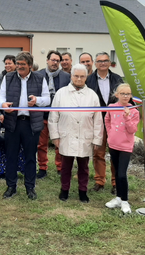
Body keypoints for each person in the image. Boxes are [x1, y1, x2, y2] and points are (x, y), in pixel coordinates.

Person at [0, 51, 50, 200]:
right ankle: (11, 186)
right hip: (12, 122)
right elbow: (0, 96)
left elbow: (47, 99)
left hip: (31, 124)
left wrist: (37, 100)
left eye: (22, 65)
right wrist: (3, 104)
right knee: (11, 156)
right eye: (18, 64)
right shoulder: (8, 77)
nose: (19, 67)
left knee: (30, 157)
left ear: (30, 66)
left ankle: (30, 187)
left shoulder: (40, 78)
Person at [48, 64, 103, 203]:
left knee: (83, 167)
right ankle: (64, 190)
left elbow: (98, 120)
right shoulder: (61, 93)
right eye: (76, 76)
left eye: (82, 76)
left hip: (85, 136)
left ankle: (82, 191)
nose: (79, 79)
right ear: (71, 76)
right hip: (66, 135)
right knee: (66, 166)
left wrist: (97, 139)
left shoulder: (92, 95)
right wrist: (55, 136)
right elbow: (53, 117)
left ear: (86, 77)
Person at [86, 52, 124, 194]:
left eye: (105, 60)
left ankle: (115, 182)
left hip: (115, 122)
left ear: (110, 63)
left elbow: (124, 98)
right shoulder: (89, 80)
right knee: (98, 153)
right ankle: (99, 181)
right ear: (95, 63)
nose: (103, 63)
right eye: (100, 61)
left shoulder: (117, 79)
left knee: (115, 153)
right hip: (97, 122)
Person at [104, 83, 140, 214]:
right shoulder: (112, 107)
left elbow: (132, 130)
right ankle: (118, 198)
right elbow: (107, 120)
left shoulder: (134, 111)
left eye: (128, 94)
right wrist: (110, 133)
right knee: (116, 172)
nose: (126, 96)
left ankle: (125, 200)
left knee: (121, 173)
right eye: (123, 93)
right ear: (117, 95)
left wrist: (127, 117)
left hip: (125, 146)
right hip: (113, 144)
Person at [36, 50, 70, 179]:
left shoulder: (66, 77)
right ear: (47, 60)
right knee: (41, 144)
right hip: (42, 115)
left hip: (60, 117)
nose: (55, 63)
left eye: (57, 61)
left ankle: (60, 167)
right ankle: (43, 168)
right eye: (53, 60)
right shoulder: (37, 75)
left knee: (59, 144)